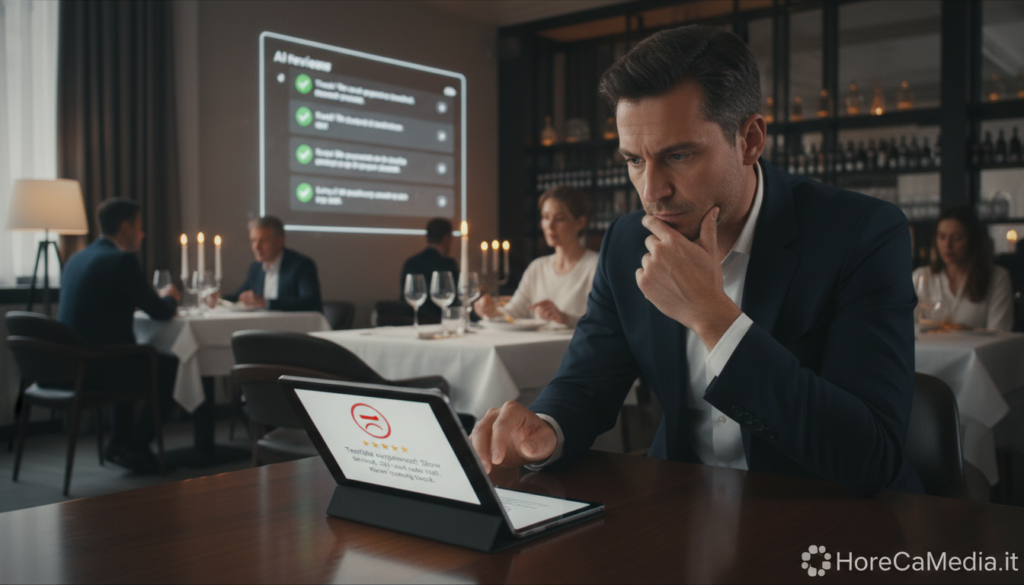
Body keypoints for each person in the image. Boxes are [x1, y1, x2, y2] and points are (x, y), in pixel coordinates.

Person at [469, 24, 924, 497]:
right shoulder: (627, 241)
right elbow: (586, 383)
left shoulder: (862, 233)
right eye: (635, 161)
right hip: (682, 506)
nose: (652, 192)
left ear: (749, 140)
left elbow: (871, 456)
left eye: (679, 155)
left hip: (832, 518)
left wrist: (713, 317)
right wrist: (545, 428)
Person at [58, 198, 181, 472]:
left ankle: (120, 442)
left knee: (129, 352)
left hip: (69, 364)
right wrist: (170, 296)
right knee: (171, 365)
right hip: (97, 367)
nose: (143, 233)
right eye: (139, 226)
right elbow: (160, 311)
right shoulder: (120, 261)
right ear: (126, 228)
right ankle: (135, 446)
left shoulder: (78, 257)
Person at [474, 186, 598, 328]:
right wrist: (490, 311)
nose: (549, 226)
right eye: (545, 217)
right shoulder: (537, 267)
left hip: (578, 348)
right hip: (537, 349)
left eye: (559, 219)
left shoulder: (597, 266)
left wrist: (565, 318)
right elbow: (513, 312)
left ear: (580, 223)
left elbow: (606, 323)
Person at [913, 206, 1013, 331]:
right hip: (929, 350)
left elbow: (1000, 334)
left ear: (972, 240)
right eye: (942, 237)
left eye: (956, 238)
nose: (947, 245)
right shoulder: (921, 276)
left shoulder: (997, 277)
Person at [224, 216, 322, 312]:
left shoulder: (301, 266)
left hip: (292, 327)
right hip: (261, 326)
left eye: (262, 241)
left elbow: (311, 303)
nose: (256, 247)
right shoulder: (256, 268)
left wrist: (267, 303)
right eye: (253, 241)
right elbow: (238, 297)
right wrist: (218, 299)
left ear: (280, 240)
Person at [400, 218, 459, 323]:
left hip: (411, 319)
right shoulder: (448, 264)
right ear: (446, 238)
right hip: (439, 319)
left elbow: (404, 297)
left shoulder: (411, 262)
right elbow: (456, 295)